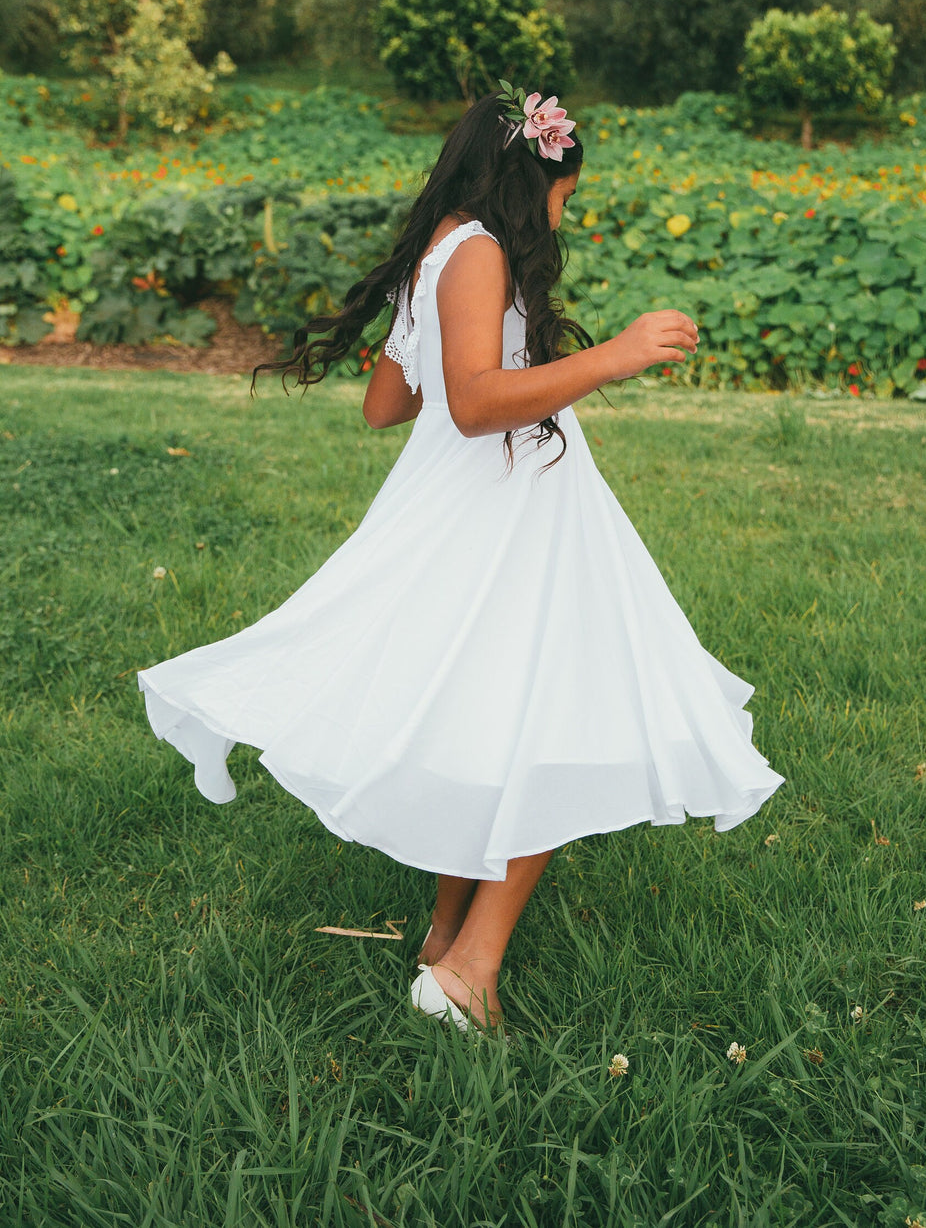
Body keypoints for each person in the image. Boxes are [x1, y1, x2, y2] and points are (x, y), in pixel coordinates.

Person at [137, 85, 784, 1037]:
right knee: (560, 717)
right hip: (511, 509)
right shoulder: (480, 253)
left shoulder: (441, 250)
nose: (565, 217)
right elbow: (477, 404)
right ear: (532, 179)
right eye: (566, 196)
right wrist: (616, 354)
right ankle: (470, 971)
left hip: (479, 502)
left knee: (489, 714)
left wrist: (438, 346)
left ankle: (446, 939)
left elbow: (385, 407)